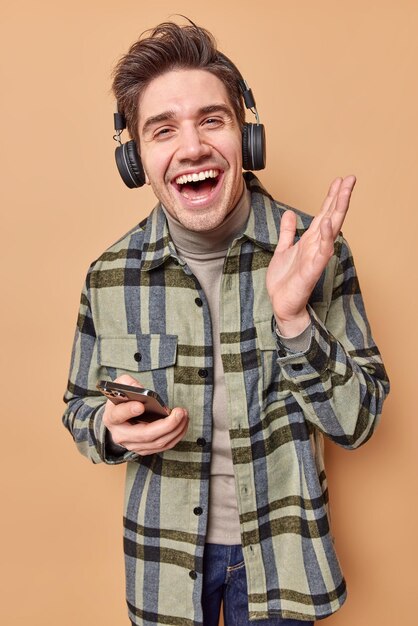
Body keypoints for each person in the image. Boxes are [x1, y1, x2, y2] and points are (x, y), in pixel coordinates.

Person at [62, 20, 390, 626]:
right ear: (136, 159)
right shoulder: (108, 275)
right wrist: (108, 427)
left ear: (248, 138)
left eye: (212, 120)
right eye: (163, 130)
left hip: (282, 560)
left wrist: (294, 321)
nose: (191, 148)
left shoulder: (319, 251)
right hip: (162, 560)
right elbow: (78, 410)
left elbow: (360, 423)